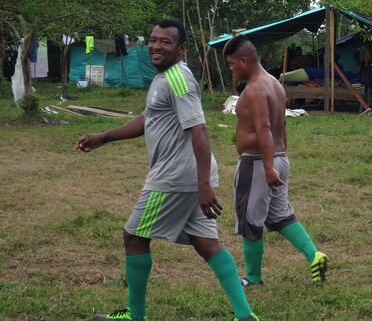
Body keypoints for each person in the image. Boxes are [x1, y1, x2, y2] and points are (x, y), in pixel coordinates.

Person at [76, 20, 258, 321]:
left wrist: (202, 184)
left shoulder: (178, 79)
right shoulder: (164, 77)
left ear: (181, 49)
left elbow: (199, 129)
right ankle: (245, 316)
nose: (156, 46)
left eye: (165, 42)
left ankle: (135, 316)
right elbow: (148, 118)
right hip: (189, 177)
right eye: (153, 40)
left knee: (134, 237)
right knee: (207, 243)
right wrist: (103, 138)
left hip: (176, 177)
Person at [223, 35, 328, 287]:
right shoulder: (274, 83)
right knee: (280, 216)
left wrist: (268, 167)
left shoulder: (256, 88)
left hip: (258, 163)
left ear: (244, 61)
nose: (231, 69)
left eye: (232, 64)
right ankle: (315, 255)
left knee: (250, 221)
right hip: (279, 158)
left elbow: (265, 128)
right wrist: (280, 160)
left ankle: (253, 278)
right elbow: (281, 125)